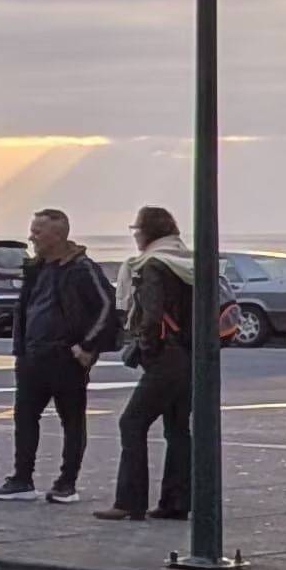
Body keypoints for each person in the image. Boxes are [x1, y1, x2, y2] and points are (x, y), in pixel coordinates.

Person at [0, 207, 116, 502]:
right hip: (32, 357)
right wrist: (20, 349)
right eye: (32, 230)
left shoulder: (81, 268)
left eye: (38, 232)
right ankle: (22, 479)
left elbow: (107, 307)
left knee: (71, 419)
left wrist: (86, 346)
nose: (32, 237)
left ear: (57, 235)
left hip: (65, 359)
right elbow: (26, 309)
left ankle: (66, 482)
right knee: (25, 418)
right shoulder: (35, 268)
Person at [101, 205, 196, 522]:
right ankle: (177, 501)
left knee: (132, 422)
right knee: (178, 429)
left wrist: (145, 348)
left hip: (167, 356)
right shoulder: (188, 260)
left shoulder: (153, 265)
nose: (136, 235)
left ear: (147, 232)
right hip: (193, 355)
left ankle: (130, 501)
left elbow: (152, 315)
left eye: (137, 229)